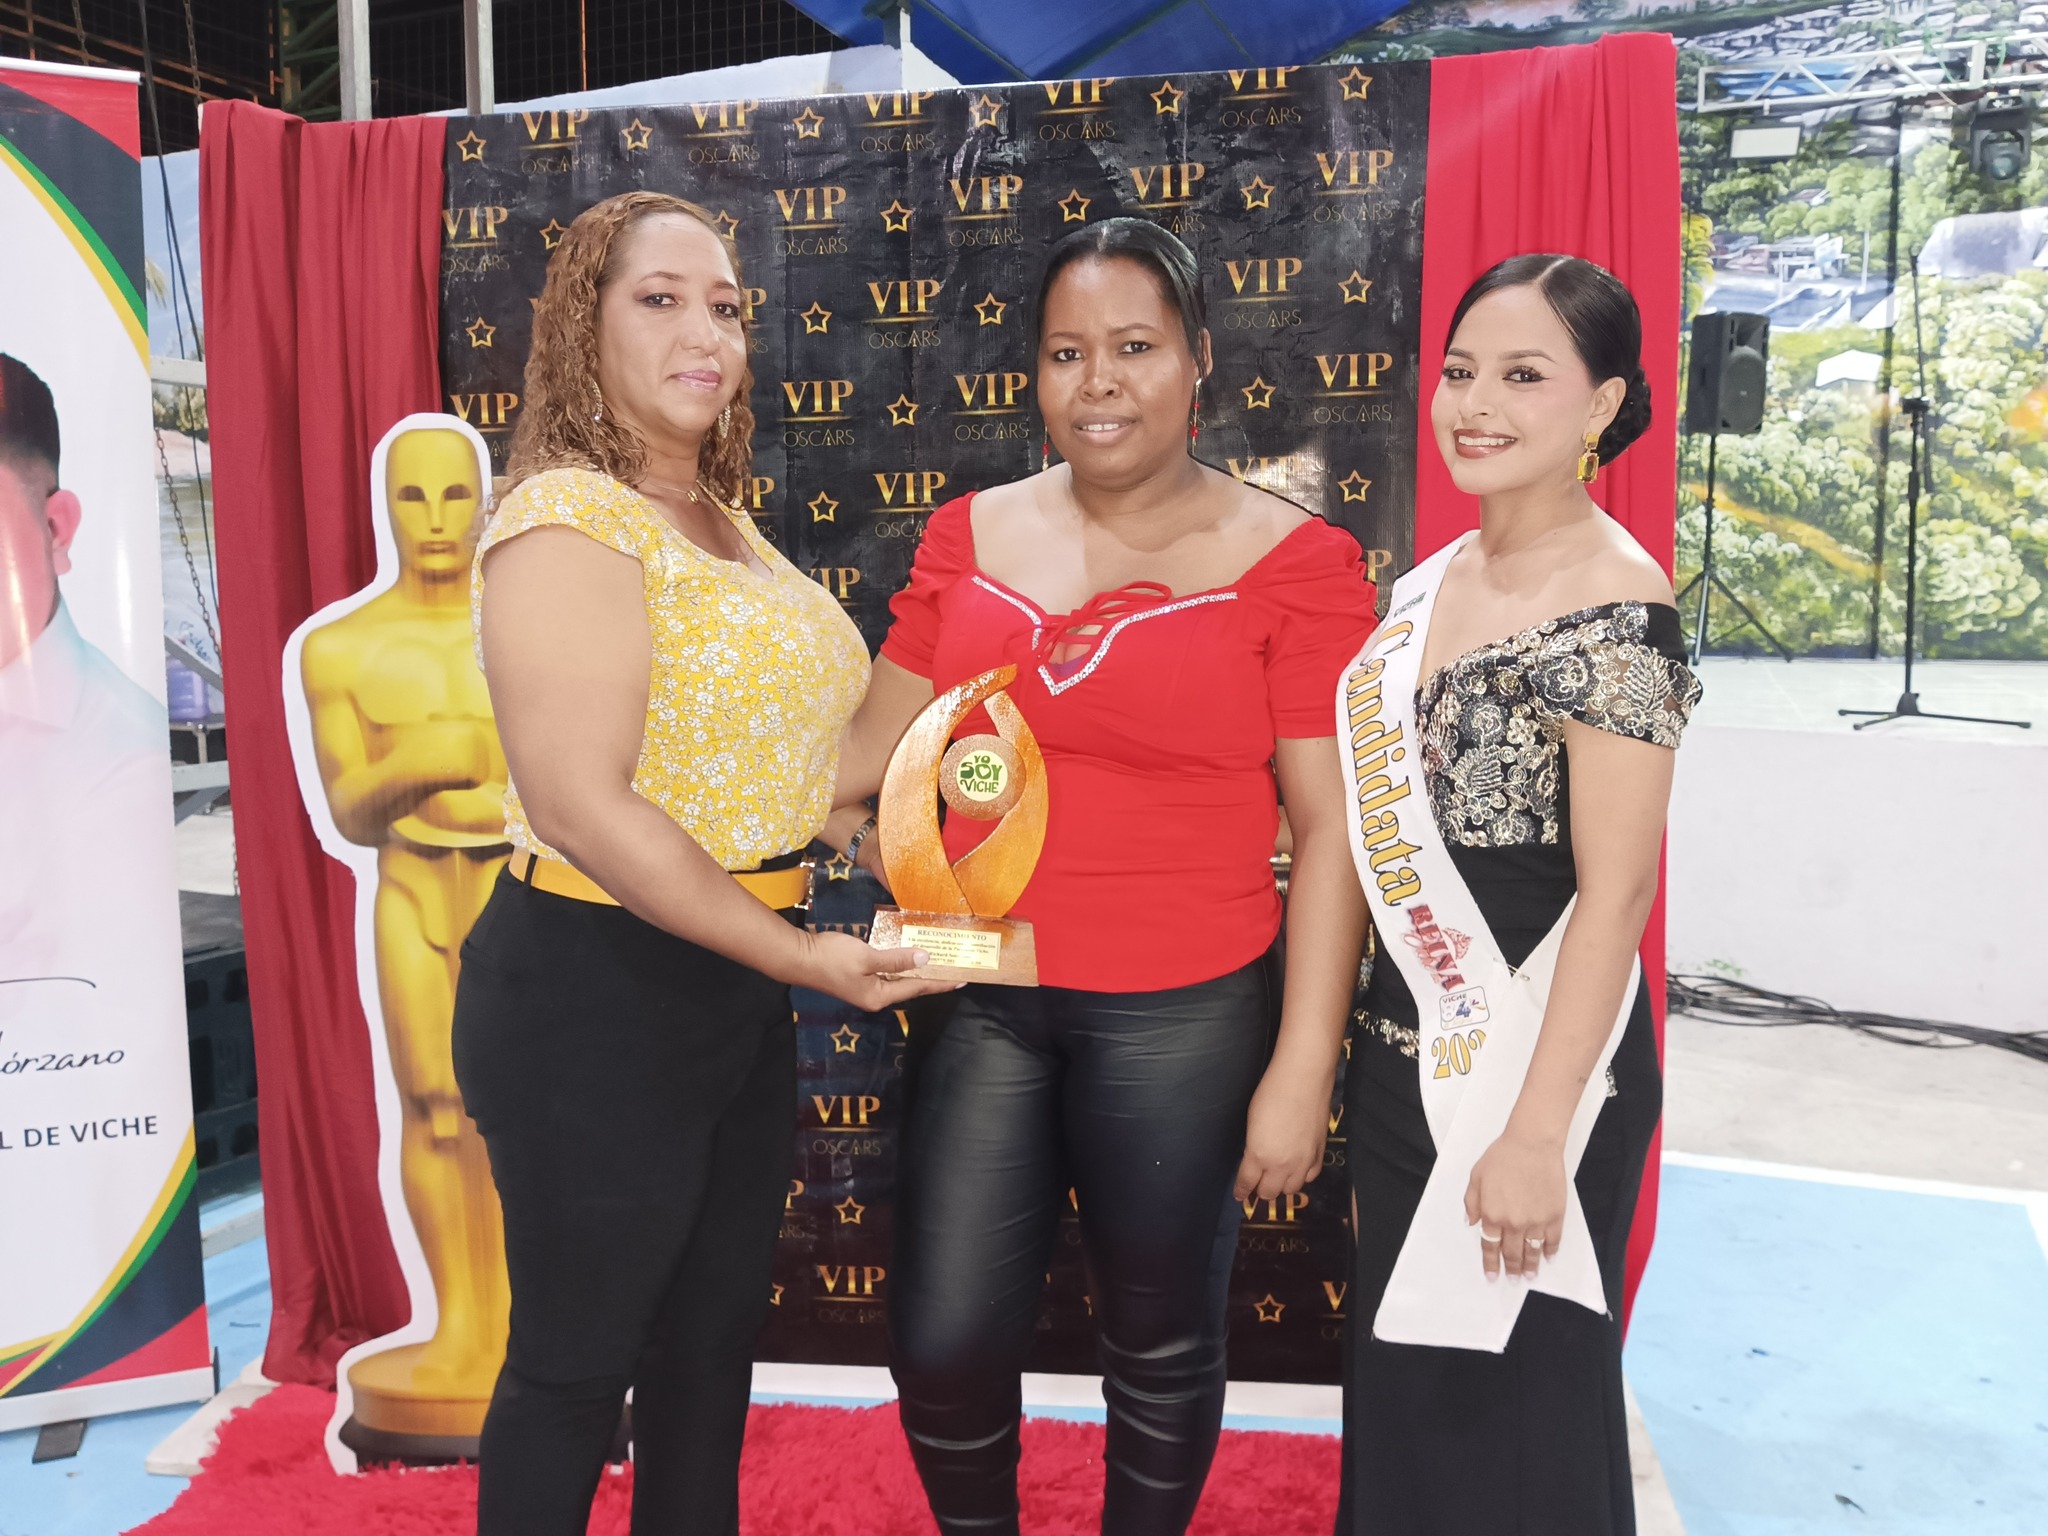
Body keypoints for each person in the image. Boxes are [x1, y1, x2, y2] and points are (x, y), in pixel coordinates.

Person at [822, 217, 1377, 1536]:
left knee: (1159, 1341)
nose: (1099, 383)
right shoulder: (965, 538)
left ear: (1198, 360)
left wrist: (1302, 1069)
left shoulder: (1297, 565)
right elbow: (863, 768)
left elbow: (1330, 832)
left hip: (1185, 1008)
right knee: (942, 1339)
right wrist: (896, 860)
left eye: (1135, 347)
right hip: (983, 994)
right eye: (1066, 353)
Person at [449, 191, 948, 1536]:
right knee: (574, 1366)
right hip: (590, 988)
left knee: (706, 1355)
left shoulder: (717, 516)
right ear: (583, 324)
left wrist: (898, 838)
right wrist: (801, 956)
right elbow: (579, 804)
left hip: (725, 984)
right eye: (659, 299)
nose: (704, 333)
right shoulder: (569, 518)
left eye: (724, 306)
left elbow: (798, 775)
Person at [1333, 254, 1702, 1535]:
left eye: (1522, 375)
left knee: (1523, 1407)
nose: (1474, 404)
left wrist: (1537, 1136)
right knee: (1408, 1392)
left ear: (1600, 403)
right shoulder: (1424, 584)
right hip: (1405, 1050)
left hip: (1546, 1069)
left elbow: (1616, 893)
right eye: (1459, 371)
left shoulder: (1619, 602)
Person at [297, 423, 511, 1452]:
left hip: (521, 895)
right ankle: (460, 1326)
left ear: (484, 501)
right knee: (433, 1109)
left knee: (519, 1116)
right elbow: (350, 809)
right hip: (411, 893)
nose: (434, 520)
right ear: (385, 506)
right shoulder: (339, 648)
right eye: (412, 497)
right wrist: (434, 756)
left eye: (454, 495)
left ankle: (521, 1325)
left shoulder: (526, 627)